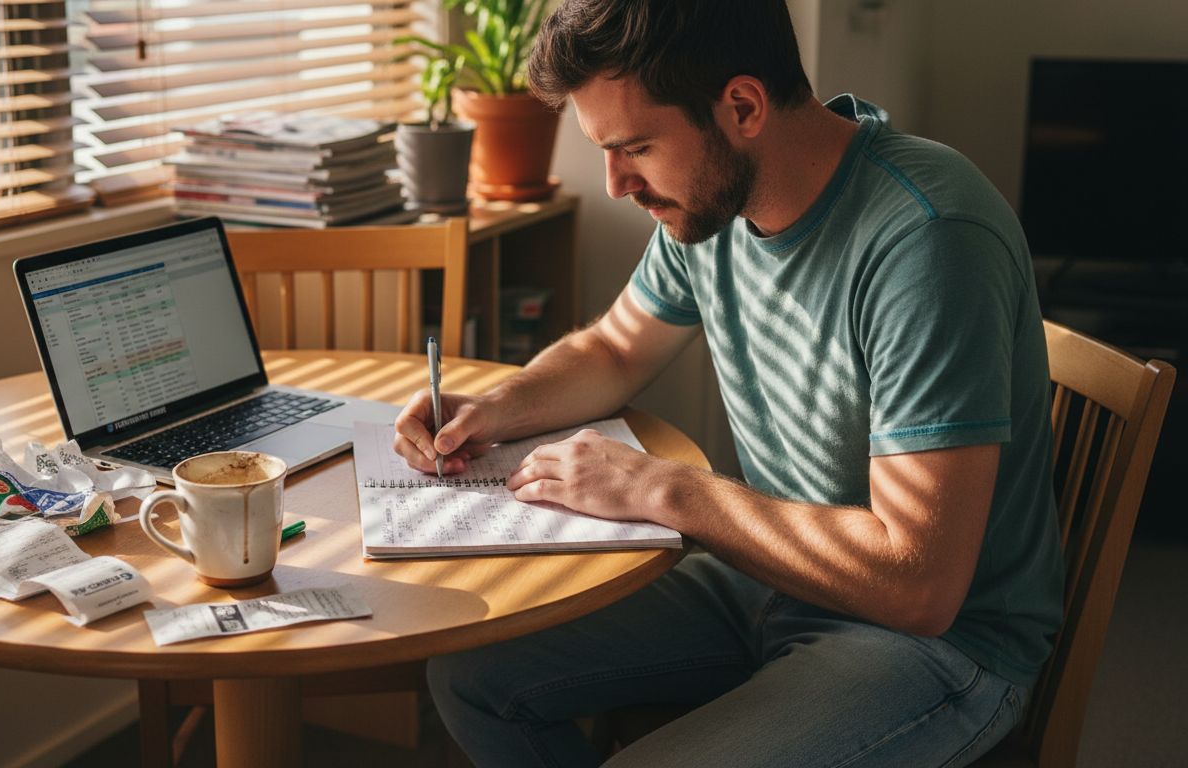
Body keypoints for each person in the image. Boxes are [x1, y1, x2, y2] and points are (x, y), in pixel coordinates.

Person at [392, 1, 1063, 765]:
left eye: (636, 146)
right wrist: (493, 408)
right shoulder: (713, 206)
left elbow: (919, 586)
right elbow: (615, 349)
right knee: (471, 672)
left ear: (742, 106)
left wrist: (663, 491)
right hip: (774, 578)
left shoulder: (928, 239)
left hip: (939, 644)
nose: (616, 184)